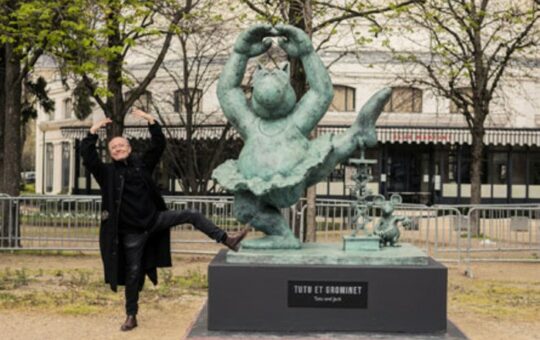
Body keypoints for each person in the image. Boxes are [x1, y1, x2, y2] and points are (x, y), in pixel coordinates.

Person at [80, 108, 248, 331]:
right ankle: (131, 315)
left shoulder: (142, 166)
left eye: (122, 145)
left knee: (192, 214)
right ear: (110, 153)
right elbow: (89, 158)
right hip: (131, 234)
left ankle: (227, 239)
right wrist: (92, 133)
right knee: (132, 274)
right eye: (114, 147)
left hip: (154, 220)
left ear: (129, 149)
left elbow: (158, 145)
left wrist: (151, 122)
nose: (118, 148)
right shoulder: (107, 174)